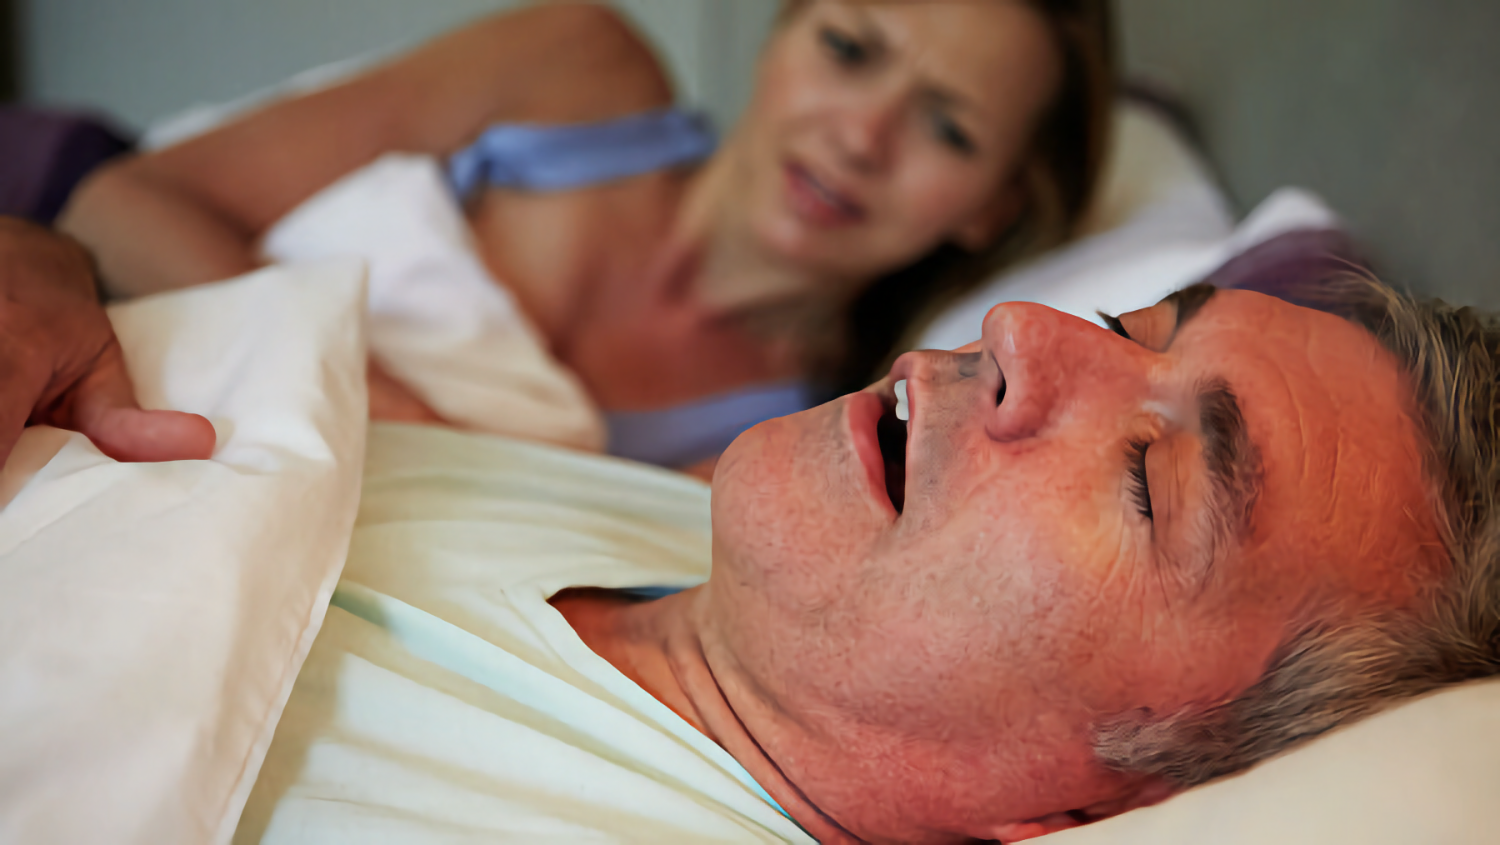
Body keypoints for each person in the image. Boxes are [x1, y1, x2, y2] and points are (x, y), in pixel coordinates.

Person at [6, 209, 1499, 841]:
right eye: (1130, 324)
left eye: (1150, 479)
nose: (1027, 331)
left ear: (1109, 811)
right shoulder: (715, 532)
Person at [57, 0, 1114, 472]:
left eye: (947, 127)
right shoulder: (577, 67)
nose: (860, 134)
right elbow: (117, 206)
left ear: (992, 206)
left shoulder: (793, 442)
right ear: (781, 33)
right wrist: (391, 406)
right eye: (847, 47)